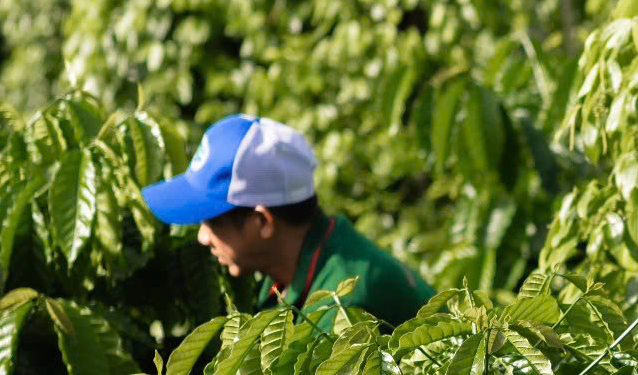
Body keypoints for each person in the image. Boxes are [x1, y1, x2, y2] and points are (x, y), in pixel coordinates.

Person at [141, 115, 433, 331]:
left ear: (262, 221)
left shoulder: (343, 311)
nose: (203, 237)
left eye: (212, 222)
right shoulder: (294, 262)